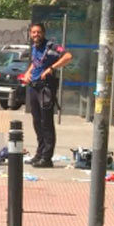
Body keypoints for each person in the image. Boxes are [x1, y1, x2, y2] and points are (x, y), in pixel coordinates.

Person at [25, 22, 72, 168]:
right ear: (30, 34)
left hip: (46, 88)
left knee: (46, 123)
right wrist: (28, 72)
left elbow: (68, 56)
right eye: (33, 32)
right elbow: (36, 63)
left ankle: (47, 158)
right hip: (34, 87)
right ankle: (39, 153)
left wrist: (51, 68)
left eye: (38, 32)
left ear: (43, 33)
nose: (36, 34)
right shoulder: (34, 47)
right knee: (36, 121)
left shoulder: (51, 46)